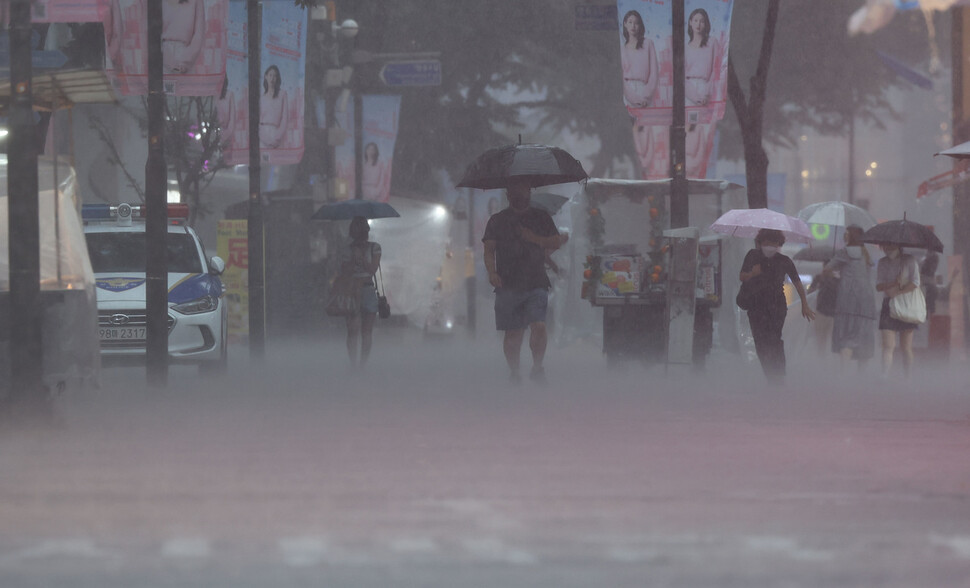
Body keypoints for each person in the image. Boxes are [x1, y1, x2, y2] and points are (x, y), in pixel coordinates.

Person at [482, 178, 568, 384]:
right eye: (514, 190)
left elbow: (556, 241)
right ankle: (514, 372)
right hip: (507, 284)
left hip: (536, 282)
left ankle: (537, 367)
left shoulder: (541, 217)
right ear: (508, 194)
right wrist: (492, 273)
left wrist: (535, 239)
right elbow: (489, 250)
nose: (519, 194)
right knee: (513, 332)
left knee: (538, 325)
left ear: (530, 192)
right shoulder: (497, 221)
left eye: (523, 189)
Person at [739, 229, 815, 384]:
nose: (770, 246)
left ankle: (779, 375)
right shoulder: (753, 256)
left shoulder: (784, 260)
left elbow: (797, 282)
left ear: (779, 244)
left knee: (774, 339)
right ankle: (770, 375)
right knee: (760, 341)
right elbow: (742, 276)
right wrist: (753, 273)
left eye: (774, 243)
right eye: (767, 242)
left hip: (776, 306)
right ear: (760, 242)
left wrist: (804, 304)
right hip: (756, 306)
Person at [822, 225, 876, 371]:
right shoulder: (866, 254)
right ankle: (861, 377)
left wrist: (835, 274)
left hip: (848, 298)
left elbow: (827, 270)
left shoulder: (845, 252)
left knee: (846, 335)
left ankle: (844, 375)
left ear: (851, 236)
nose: (844, 235)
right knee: (863, 336)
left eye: (846, 233)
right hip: (866, 300)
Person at [340, 216, 382, 369]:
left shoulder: (375, 248)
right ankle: (353, 365)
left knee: (366, 331)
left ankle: (362, 365)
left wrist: (362, 258)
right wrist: (353, 259)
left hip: (368, 289)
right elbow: (345, 271)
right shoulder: (347, 249)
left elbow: (372, 270)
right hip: (352, 291)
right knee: (352, 330)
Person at [875, 243, 920, 378]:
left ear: (898, 245)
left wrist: (899, 291)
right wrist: (894, 284)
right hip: (888, 304)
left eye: (890, 245)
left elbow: (915, 282)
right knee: (888, 345)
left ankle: (908, 377)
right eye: (885, 245)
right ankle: (884, 376)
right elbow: (878, 285)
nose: (887, 248)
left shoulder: (909, 260)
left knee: (906, 347)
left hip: (907, 304)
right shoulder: (883, 262)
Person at [620, 10, 659, 109]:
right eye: (630, 22)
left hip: (645, 92)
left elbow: (654, 74)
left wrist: (645, 97)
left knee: (647, 123)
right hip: (628, 95)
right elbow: (622, 79)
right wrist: (634, 98)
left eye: (636, 23)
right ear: (625, 24)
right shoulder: (622, 49)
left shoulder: (648, 44)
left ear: (640, 25)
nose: (633, 26)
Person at [162, 0, 205, 74]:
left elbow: (199, 34)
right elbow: (153, 31)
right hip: (163, 56)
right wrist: (166, 58)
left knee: (187, 85)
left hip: (186, 55)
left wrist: (185, 62)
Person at [685, 8, 717, 107]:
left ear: (706, 24)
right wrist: (693, 96)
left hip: (707, 90)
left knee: (705, 121)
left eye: (702, 21)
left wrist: (706, 93)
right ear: (690, 22)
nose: (698, 24)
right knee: (688, 121)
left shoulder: (712, 42)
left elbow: (716, 69)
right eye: (695, 20)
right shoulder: (685, 47)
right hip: (689, 92)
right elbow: (683, 77)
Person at [259, 65, 289, 149]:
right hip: (263, 137)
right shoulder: (262, 98)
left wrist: (277, 136)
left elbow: (285, 118)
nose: (272, 78)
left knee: (277, 160)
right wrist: (264, 137)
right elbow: (258, 121)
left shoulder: (282, 94)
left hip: (277, 135)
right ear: (266, 77)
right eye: (270, 75)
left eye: (275, 76)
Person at [216, 75, 236, 152]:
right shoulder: (214, 96)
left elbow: (232, 117)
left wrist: (226, 136)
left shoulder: (230, 94)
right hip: (216, 133)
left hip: (227, 132)